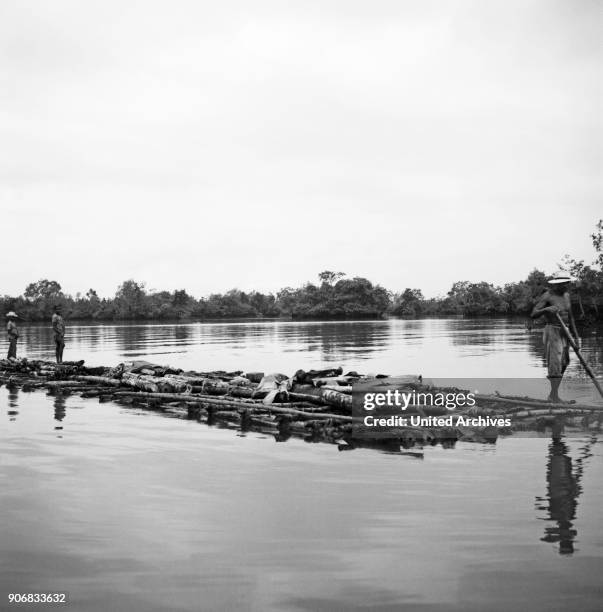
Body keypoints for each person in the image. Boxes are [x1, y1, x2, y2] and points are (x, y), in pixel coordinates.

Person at [531, 272, 580, 402]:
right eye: (564, 283)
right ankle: (554, 396)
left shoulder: (567, 295)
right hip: (553, 330)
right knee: (555, 365)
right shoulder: (548, 296)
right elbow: (533, 313)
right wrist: (546, 310)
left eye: (567, 283)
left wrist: (576, 337)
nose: (567, 286)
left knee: (565, 363)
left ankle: (553, 395)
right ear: (557, 284)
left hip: (566, 331)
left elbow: (571, 317)